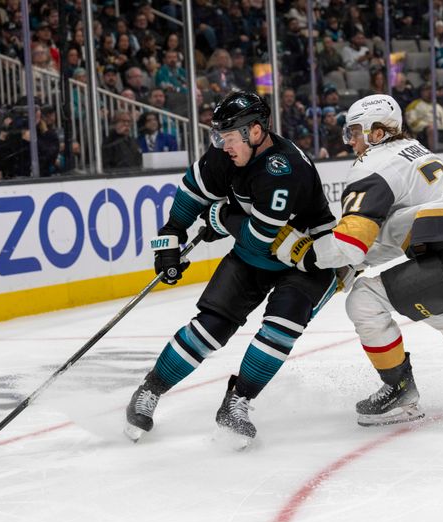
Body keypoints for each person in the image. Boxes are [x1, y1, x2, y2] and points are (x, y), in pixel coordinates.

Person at [271, 94, 443, 427]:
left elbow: (350, 242)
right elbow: (396, 232)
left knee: (364, 299)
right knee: (431, 303)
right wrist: (356, 262)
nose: (352, 141)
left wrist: (303, 253)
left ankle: (399, 390)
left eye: (356, 132)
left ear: (377, 132)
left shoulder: (372, 165)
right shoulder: (414, 151)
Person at [124, 91, 336, 445]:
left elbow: (258, 238)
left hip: (306, 257)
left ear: (255, 132)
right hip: (258, 254)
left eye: (229, 136)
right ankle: (150, 390)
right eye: (219, 136)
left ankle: (237, 402)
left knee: (279, 329)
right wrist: (171, 234)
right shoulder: (229, 153)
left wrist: (220, 216)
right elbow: (192, 191)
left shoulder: (282, 170)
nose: (222, 145)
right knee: (210, 328)